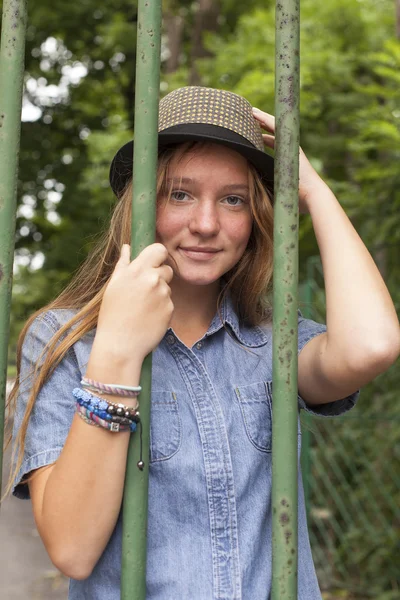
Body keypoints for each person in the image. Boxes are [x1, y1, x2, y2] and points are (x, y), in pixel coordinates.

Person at [7, 86, 400, 600]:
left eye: (233, 199)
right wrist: (119, 351)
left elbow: (372, 345)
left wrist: (313, 191)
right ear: (140, 203)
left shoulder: (274, 343)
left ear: (256, 215)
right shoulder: (65, 340)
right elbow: (73, 549)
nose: (207, 224)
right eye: (180, 193)